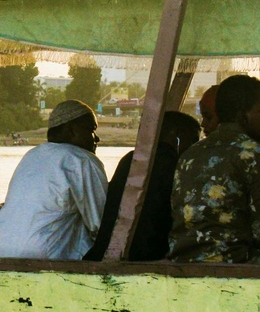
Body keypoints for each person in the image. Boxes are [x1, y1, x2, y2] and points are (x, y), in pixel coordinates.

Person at [168, 75, 260, 263]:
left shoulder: (190, 154)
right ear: (243, 116)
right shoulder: (255, 154)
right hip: (234, 264)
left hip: (184, 262)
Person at [0, 100, 108, 260]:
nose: (96, 139)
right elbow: (102, 225)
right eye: (91, 130)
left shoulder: (32, 156)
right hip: (45, 259)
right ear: (71, 129)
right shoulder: (82, 160)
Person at [84, 111, 201, 261]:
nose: (194, 148)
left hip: (106, 253)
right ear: (175, 136)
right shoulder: (175, 165)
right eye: (192, 140)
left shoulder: (131, 159)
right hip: (148, 256)